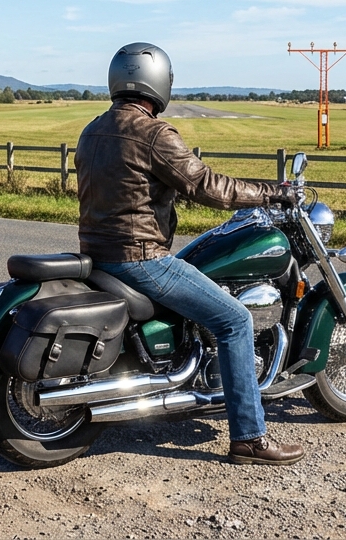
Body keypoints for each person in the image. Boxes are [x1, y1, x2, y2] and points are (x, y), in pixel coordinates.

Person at [74, 42, 304, 466]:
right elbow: (209, 187)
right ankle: (250, 437)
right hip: (142, 258)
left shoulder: (92, 130)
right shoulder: (153, 134)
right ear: (159, 82)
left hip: (98, 254)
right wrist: (273, 193)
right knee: (235, 320)